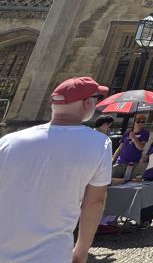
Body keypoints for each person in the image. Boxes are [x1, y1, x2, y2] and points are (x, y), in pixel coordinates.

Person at [0, 76, 112, 263]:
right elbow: (95, 202)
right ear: (87, 103)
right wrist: (82, 250)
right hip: (50, 253)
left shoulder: (7, 141)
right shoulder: (99, 144)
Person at [113, 113, 150, 179]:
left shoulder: (145, 133)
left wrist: (134, 138)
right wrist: (113, 160)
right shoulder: (127, 134)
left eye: (142, 121)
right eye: (138, 121)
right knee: (112, 180)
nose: (140, 123)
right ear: (134, 121)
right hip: (120, 162)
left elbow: (140, 147)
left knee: (126, 183)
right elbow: (120, 148)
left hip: (132, 164)